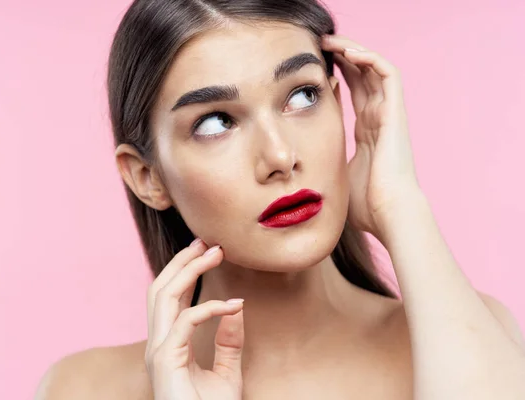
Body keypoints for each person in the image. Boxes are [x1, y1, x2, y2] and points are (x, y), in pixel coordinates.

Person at [35, 0, 525, 398]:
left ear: (341, 103)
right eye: (216, 122)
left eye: (303, 96)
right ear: (147, 177)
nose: (280, 156)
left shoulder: (469, 338)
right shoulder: (83, 388)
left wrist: (400, 205)